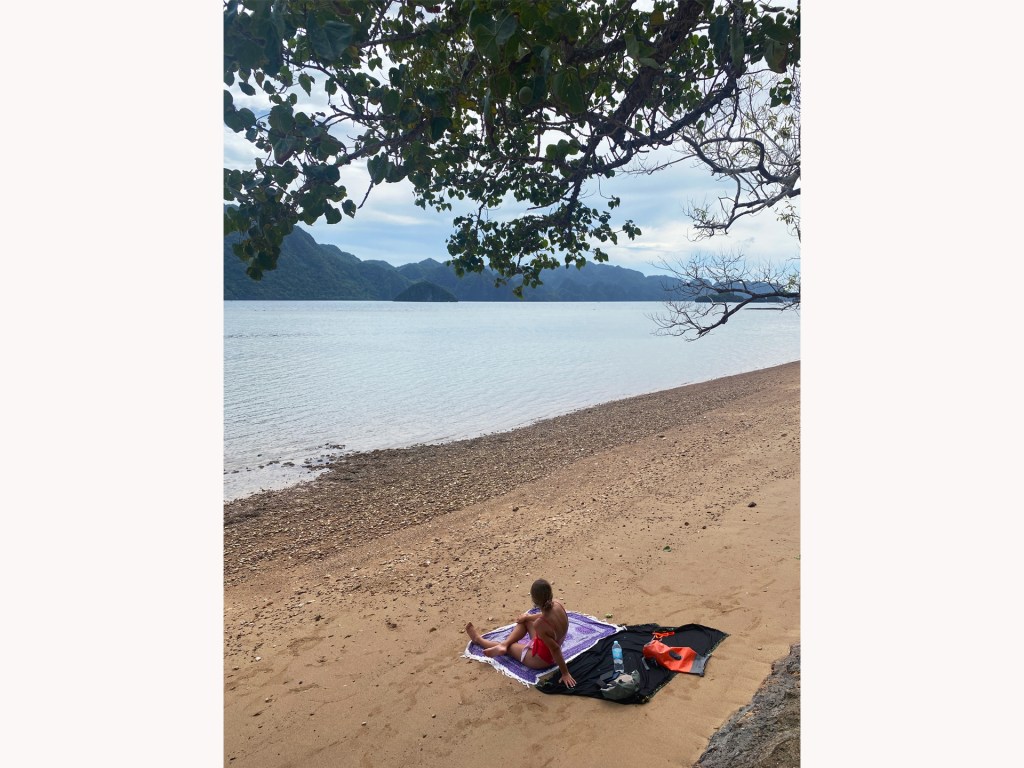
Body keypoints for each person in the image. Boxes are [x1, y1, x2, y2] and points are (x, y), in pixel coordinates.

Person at [465, 578, 577, 688]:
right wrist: (527, 617)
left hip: (542, 659)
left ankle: (479, 640)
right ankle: (504, 644)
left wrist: (565, 673)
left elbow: (555, 649)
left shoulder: (540, 625)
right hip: (545, 645)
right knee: (526, 621)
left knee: (511, 648)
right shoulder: (558, 604)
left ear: (534, 600)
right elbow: (546, 616)